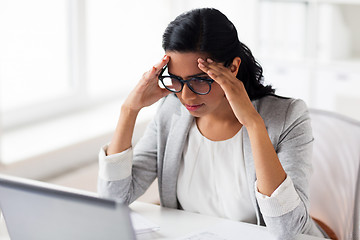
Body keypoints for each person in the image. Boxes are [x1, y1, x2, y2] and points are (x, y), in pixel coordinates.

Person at [98, 8, 328, 239]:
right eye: (176, 80)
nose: (186, 96)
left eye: (199, 80)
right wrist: (129, 110)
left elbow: (287, 229)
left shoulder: (288, 116)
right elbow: (113, 199)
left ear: (232, 68)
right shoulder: (171, 111)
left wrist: (253, 124)